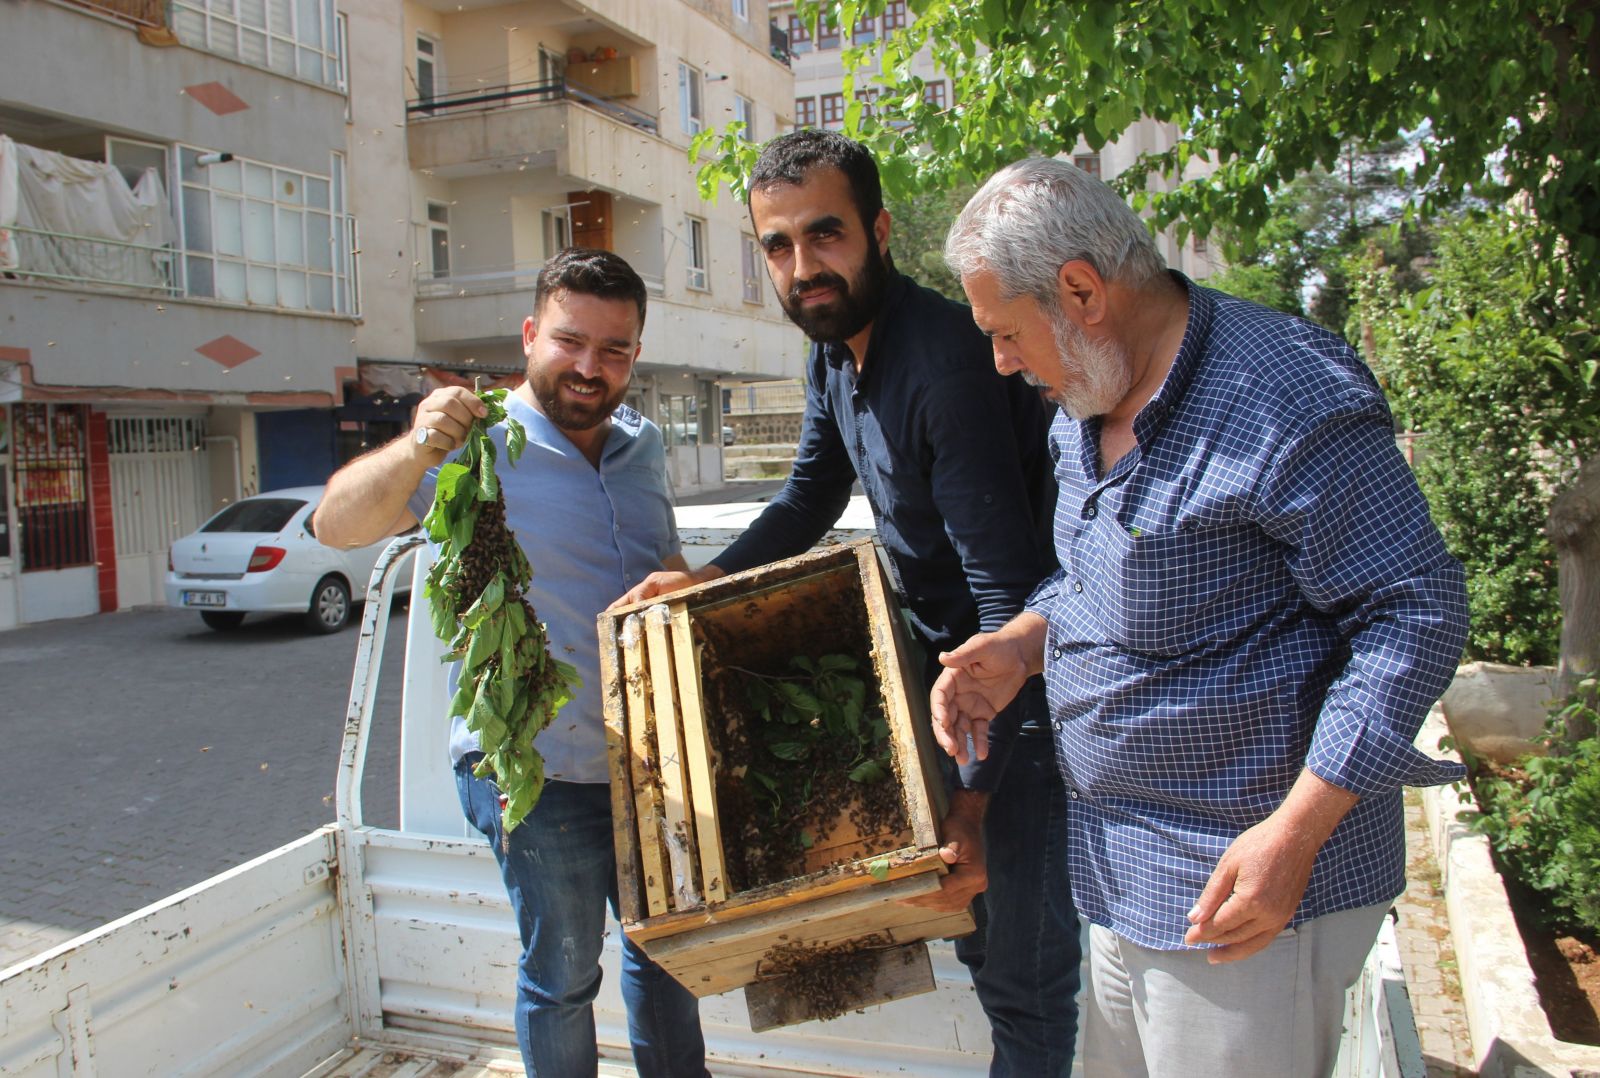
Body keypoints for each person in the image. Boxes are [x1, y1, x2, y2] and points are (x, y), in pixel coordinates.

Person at [929, 156, 1470, 1078]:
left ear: (1081, 292)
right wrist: (1023, 644)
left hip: (1246, 898)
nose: (1001, 361)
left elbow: (1413, 610)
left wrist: (1296, 832)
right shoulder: (1085, 396)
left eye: (1005, 332)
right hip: (1116, 873)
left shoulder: (1288, 397)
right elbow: (1096, 577)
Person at [617, 130, 1082, 1076]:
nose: (803, 267)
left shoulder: (946, 367)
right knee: (985, 948)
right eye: (779, 247)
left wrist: (978, 806)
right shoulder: (835, 354)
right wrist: (705, 584)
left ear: (876, 229)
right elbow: (808, 494)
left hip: (1020, 710)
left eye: (825, 236)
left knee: (1025, 988)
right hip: (948, 694)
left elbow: (1006, 595)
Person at [312, 248, 707, 1078]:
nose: (590, 368)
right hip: (537, 768)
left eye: (616, 350)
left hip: (652, 760)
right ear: (530, 334)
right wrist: (416, 448)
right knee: (563, 975)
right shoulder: (471, 443)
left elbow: (663, 571)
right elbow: (335, 528)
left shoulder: (644, 448)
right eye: (570, 341)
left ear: (637, 353)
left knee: (672, 956)